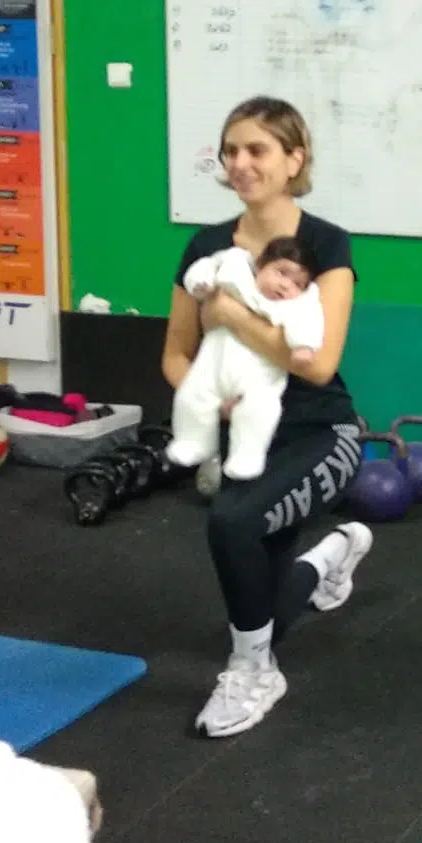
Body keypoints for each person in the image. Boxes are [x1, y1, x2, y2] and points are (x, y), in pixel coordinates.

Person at [162, 96, 369, 739]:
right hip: (248, 433)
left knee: (231, 523)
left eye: (257, 149)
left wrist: (231, 316)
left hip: (322, 433)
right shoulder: (206, 248)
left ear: (294, 160)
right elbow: (175, 354)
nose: (240, 163)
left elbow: (318, 363)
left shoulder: (325, 244)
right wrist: (207, 397)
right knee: (266, 605)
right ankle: (334, 553)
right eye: (231, 151)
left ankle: (253, 672)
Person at [167, 234, 325, 483]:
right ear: (260, 265)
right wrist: (201, 282)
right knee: (191, 397)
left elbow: (309, 319)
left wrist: (303, 346)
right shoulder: (236, 269)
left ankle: (247, 457)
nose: (286, 285)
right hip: (212, 366)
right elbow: (205, 267)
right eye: (281, 272)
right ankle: (193, 442)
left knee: (260, 411)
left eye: (297, 283)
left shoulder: (296, 304)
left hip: (257, 379)